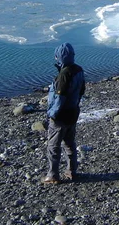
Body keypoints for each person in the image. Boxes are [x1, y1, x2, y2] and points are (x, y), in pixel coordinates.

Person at [42, 42, 86, 184]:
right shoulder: (78, 70)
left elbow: (60, 97)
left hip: (61, 116)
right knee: (69, 143)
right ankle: (71, 171)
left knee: (53, 146)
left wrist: (52, 114)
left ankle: (53, 175)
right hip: (73, 113)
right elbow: (81, 91)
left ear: (59, 57)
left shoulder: (64, 74)